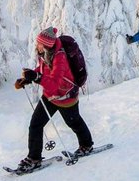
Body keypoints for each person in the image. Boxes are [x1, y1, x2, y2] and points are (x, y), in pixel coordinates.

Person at [13, 28, 94, 172]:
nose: (36, 45)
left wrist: (36, 77)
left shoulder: (60, 57)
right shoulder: (46, 54)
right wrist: (28, 78)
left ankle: (86, 145)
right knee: (35, 124)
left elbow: (55, 83)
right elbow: (43, 69)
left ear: (46, 45)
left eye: (39, 43)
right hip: (50, 96)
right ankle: (34, 158)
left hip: (65, 95)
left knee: (74, 122)